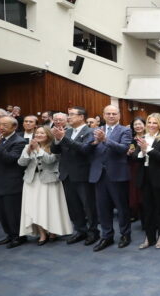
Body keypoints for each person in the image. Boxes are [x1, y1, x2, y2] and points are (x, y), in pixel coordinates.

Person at [18, 125, 73, 245]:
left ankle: (53, 231)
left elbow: (50, 160)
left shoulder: (54, 147)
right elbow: (21, 163)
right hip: (31, 182)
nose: (38, 135)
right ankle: (42, 234)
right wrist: (28, 151)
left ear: (48, 135)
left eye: (42, 133)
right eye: (37, 133)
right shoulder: (28, 146)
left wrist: (38, 149)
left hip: (49, 181)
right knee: (34, 208)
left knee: (49, 207)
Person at [51, 106, 98, 246]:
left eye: (71, 114)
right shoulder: (67, 131)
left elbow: (84, 149)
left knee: (88, 206)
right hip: (66, 174)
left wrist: (63, 138)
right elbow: (55, 150)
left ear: (81, 117)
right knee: (73, 206)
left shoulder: (91, 131)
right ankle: (80, 230)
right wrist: (57, 139)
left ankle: (93, 232)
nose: (68, 117)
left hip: (82, 174)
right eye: (68, 114)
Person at [88, 105, 133, 251]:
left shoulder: (125, 130)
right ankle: (106, 236)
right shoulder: (95, 130)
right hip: (99, 175)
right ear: (103, 115)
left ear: (119, 115)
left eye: (114, 113)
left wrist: (105, 140)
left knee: (121, 207)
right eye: (108, 113)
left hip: (117, 174)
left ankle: (125, 234)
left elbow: (123, 148)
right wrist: (93, 143)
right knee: (103, 208)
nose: (111, 116)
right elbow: (88, 149)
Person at [0, 116, 27, 248]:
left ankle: (18, 237)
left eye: (5, 125)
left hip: (11, 183)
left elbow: (10, 159)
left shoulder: (19, 141)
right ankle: (9, 234)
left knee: (13, 213)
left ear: (14, 127)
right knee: (2, 213)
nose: (0, 127)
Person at [134, 113, 160, 249]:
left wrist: (148, 149)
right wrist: (142, 152)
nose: (151, 125)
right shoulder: (143, 137)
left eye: (154, 123)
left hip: (159, 177)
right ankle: (149, 237)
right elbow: (135, 157)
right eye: (149, 122)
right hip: (145, 176)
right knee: (147, 209)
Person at [127, 117, 146, 224]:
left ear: (144, 125)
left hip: (146, 167)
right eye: (135, 125)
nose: (138, 126)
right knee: (135, 193)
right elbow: (132, 153)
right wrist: (129, 153)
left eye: (140, 124)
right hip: (134, 167)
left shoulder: (148, 137)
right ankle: (136, 214)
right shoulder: (132, 140)